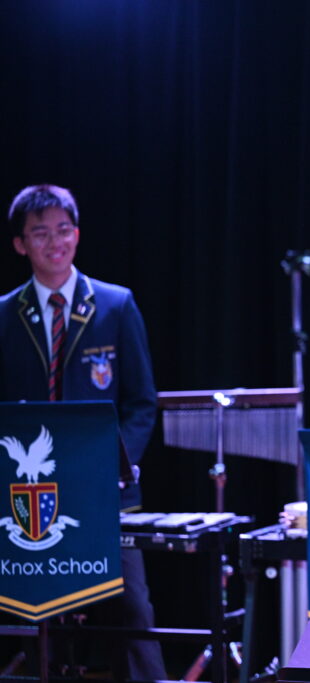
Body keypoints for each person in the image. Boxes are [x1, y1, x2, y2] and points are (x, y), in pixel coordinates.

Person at [0, 184, 165, 678]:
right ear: (20, 244)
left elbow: (142, 402)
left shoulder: (115, 305)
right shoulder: (5, 314)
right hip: (31, 492)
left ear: (77, 234)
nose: (55, 242)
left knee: (133, 608)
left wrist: (115, 464)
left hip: (108, 491)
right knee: (34, 611)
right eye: (40, 233)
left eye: (63, 230)